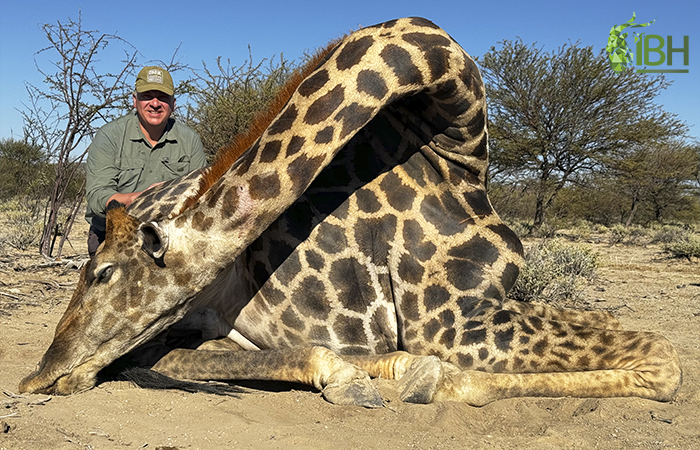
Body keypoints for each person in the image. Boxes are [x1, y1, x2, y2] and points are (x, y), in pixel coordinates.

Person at [85, 66, 208, 257]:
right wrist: (143, 199)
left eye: (163, 97)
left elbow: (201, 194)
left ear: (173, 104)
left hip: (169, 237)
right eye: (147, 96)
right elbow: (97, 198)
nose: (155, 103)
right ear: (135, 101)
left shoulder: (190, 140)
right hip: (115, 235)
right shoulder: (109, 136)